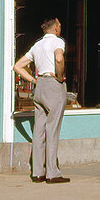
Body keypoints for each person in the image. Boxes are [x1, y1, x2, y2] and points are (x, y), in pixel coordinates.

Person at [13, 18, 70, 184]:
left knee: (39, 130)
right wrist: (60, 77)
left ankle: (38, 172)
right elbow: (59, 59)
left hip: (40, 86)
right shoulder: (58, 41)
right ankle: (52, 172)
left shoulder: (37, 45)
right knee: (52, 129)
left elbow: (18, 66)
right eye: (60, 25)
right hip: (53, 85)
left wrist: (33, 80)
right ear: (55, 28)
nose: (61, 28)